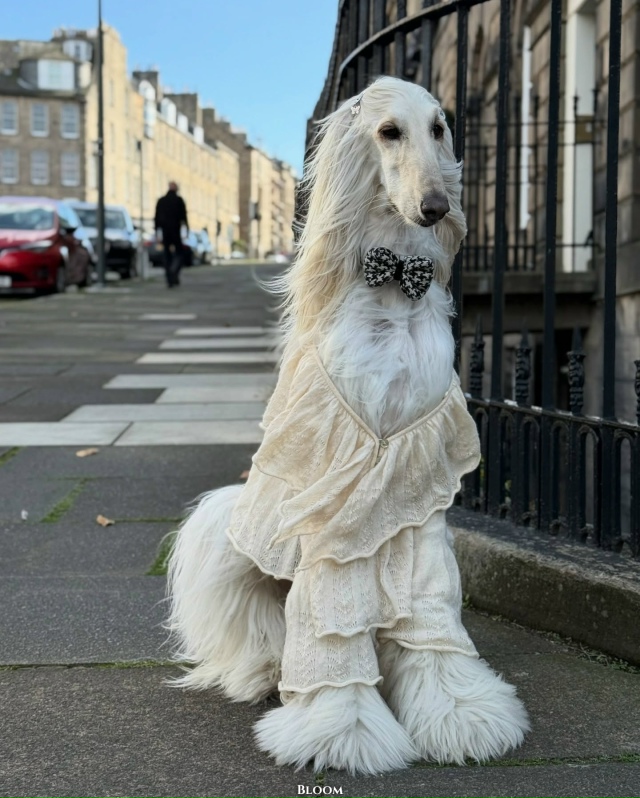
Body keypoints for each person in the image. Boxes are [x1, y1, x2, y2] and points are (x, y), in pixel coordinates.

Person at [154, 181, 189, 287]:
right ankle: (174, 272)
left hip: (165, 232)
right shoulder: (179, 201)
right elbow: (184, 217)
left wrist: (157, 232)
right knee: (179, 254)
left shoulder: (161, 201)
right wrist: (187, 230)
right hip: (175, 232)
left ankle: (169, 276)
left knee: (167, 255)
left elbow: (156, 219)